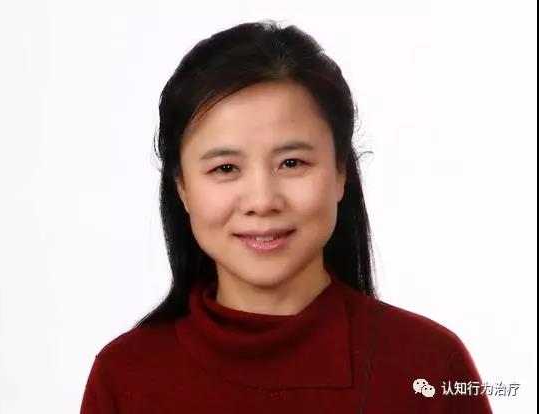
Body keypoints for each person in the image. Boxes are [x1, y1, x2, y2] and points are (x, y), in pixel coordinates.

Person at [80, 20, 493, 413]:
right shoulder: (125, 376)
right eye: (225, 168)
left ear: (340, 173)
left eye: (292, 162)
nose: (262, 201)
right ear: (182, 188)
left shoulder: (430, 367)